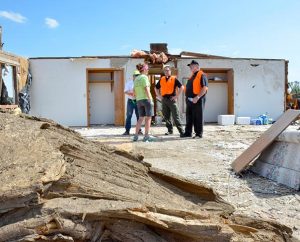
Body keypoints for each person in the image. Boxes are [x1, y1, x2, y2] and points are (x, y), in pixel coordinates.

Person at [155, 65, 184, 136]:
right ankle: (170, 130)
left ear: (170, 71)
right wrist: (159, 96)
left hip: (172, 100)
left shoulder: (174, 79)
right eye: (165, 70)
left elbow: (182, 87)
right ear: (164, 72)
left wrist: (176, 96)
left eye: (168, 70)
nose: (167, 72)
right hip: (164, 100)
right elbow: (156, 88)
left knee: (175, 116)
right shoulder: (162, 79)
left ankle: (182, 132)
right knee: (166, 116)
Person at [182, 60, 208, 138]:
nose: (190, 67)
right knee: (189, 117)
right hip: (189, 100)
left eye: (192, 66)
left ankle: (198, 134)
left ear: (197, 67)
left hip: (198, 99)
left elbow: (204, 88)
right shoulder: (192, 76)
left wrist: (197, 97)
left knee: (198, 116)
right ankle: (188, 133)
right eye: (190, 66)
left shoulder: (202, 75)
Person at [133, 63, 154, 142]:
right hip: (146, 99)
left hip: (139, 100)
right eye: (147, 69)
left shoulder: (136, 79)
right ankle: (146, 136)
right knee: (148, 118)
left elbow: (134, 92)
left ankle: (135, 136)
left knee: (140, 118)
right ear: (144, 69)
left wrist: (138, 98)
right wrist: (150, 99)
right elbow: (147, 89)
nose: (148, 70)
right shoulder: (144, 77)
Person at [123, 70, 142, 135]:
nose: (136, 77)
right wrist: (132, 93)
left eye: (138, 75)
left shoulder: (140, 83)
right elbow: (125, 91)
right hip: (131, 101)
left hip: (138, 101)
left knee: (139, 116)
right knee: (129, 115)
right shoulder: (129, 83)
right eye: (135, 75)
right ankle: (127, 131)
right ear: (133, 76)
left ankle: (139, 130)